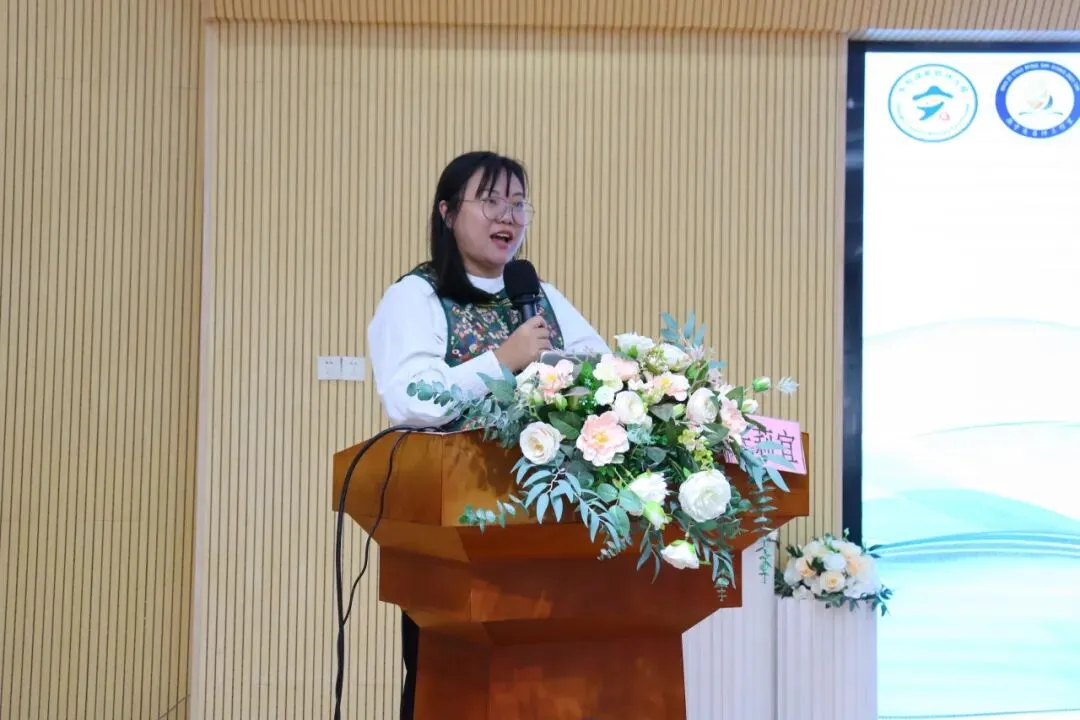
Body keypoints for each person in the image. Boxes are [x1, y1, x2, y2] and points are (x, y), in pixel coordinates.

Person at [366, 150, 609, 718]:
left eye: (519, 204)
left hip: (552, 531)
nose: (509, 216)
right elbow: (410, 398)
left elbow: (604, 370)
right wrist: (502, 360)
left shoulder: (540, 294)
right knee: (457, 684)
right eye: (492, 201)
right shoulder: (417, 296)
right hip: (457, 531)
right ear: (448, 212)